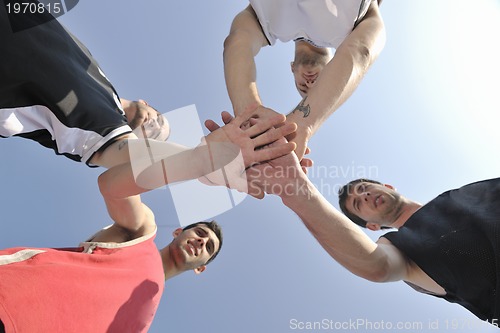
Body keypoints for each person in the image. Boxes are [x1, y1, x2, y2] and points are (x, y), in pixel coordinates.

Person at [245, 149, 500, 324]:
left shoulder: (462, 193)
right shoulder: (402, 248)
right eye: (358, 204)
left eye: (364, 189)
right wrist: (296, 189)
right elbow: (377, 265)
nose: (364, 196)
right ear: (372, 227)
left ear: (387, 186)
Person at [0, 2, 169, 168]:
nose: (153, 126)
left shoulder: (102, 129)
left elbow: (126, 157)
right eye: (158, 119)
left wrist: (187, 160)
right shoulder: (96, 72)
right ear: (145, 103)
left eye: (153, 137)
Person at [223, 0, 386, 160]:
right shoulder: (358, 22)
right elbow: (360, 51)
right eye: (316, 86)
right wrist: (301, 125)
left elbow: (238, 40)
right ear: (332, 67)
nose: (309, 83)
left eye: (302, 86)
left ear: (292, 68)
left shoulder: (264, 22)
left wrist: (250, 117)